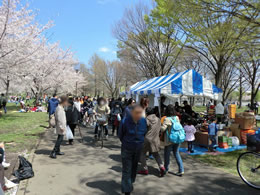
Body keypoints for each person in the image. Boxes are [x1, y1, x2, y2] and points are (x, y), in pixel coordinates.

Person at [118, 105, 147, 195]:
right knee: (134, 166)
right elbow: (145, 132)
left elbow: (120, 134)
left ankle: (127, 188)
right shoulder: (143, 121)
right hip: (138, 146)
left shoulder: (125, 120)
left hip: (127, 145)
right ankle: (130, 182)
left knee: (127, 168)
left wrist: (125, 141)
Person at [138, 108, 165, 177]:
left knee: (142, 153)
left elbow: (143, 128)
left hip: (147, 138)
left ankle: (144, 169)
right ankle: (161, 166)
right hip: (156, 139)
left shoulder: (146, 119)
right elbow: (161, 129)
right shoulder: (158, 119)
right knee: (156, 154)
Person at [161, 104, 184, 176]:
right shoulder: (176, 118)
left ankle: (166, 169)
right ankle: (181, 170)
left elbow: (162, 129)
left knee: (167, 155)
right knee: (176, 153)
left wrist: (160, 124)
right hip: (177, 138)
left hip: (169, 140)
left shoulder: (166, 119)